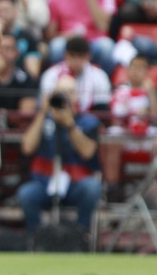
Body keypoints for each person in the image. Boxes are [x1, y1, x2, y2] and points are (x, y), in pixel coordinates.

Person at [17, 77, 103, 236]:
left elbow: (88, 152)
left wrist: (69, 124)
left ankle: (80, 236)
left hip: (76, 182)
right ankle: (37, 238)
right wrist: (43, 112)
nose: (66, 97)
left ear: (77, 96)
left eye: (69, 92)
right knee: (26, 194)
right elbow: (27, 147)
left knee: (92, 189)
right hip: (45, 181)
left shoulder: (87, 121)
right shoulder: (45, 119)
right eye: (61, 93)